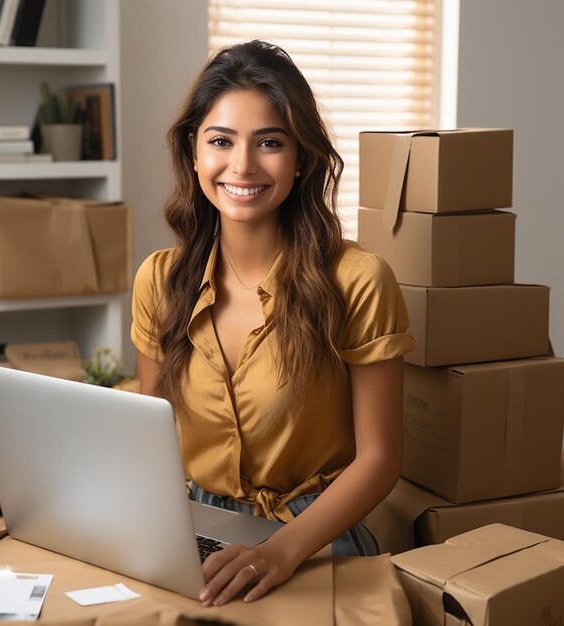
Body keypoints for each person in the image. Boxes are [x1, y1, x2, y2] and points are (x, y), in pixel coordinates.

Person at [131, 39, 415, 607]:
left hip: (312, 538)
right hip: (193, 531)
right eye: (220, 141)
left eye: (269, 143)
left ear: (302, 157)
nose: (242, 165)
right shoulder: (159, 281)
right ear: (193, 152)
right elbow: (152, 440)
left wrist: (277, 552)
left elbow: (380, 460)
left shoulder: (358, 281)